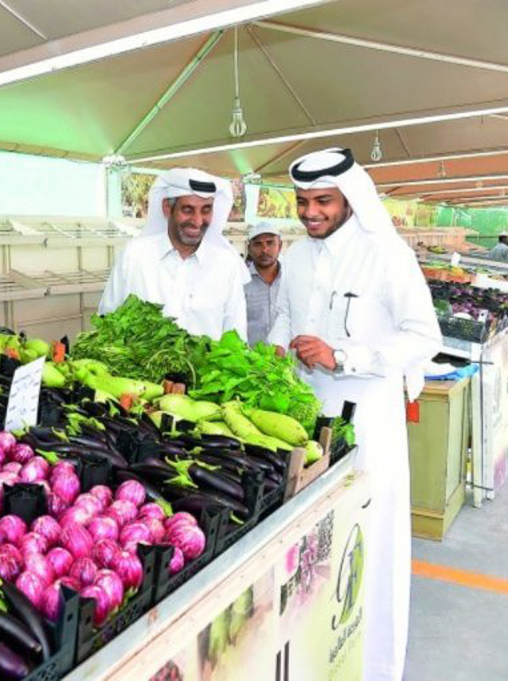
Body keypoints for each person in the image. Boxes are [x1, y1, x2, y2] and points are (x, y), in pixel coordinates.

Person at [268, 148, 441, 681]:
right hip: (303, 422)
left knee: (371, 539)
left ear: (349, 199)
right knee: (315, 547)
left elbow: (424, 338)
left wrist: (344, 356)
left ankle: (377, 666)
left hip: (368, 422)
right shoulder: (296, 258)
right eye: (301, 202)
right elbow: (283, 318)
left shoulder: (385, 254)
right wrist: (276, 351)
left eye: (323, 201)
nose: (310, 212)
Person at [100, 168, 249, 340]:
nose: (197, 221)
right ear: (167, 208)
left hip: (207, 367)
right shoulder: (135, 256)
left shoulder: (227, 264)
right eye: (188, 210)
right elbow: (108, 321)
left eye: (206, 210)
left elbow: (236, 337)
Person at [243, 221, 282, 345]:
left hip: (288, 360)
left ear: (279, 246)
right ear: (249, 248)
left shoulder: (292, 279)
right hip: (250, 360)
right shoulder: (240, 281)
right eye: (258, 244)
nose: (264, 250)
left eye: (270, 243)